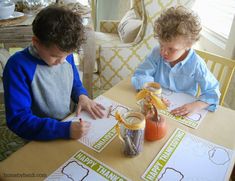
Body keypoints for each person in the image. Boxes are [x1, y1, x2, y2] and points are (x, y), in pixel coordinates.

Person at [3, 5, 105, 141]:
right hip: (41, 133)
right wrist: (64, 129)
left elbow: (74, 81)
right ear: (36, 42)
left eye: (68, 55)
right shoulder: (17, 66)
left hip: (69, 121)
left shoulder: (62, 51)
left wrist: (82, 96)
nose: (62, 61)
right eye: (55, 56)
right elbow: (18, 120)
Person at [132, 6, 220, 117]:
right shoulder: (156, 53)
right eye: (161, 45)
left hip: (181, 111)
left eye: (171, 49)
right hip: (156, 107)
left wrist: (196, 105)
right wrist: (153, 93)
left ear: (188, 45)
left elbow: (212, 91)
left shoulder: (197, 64)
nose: (163, 52)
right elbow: (141, 74)